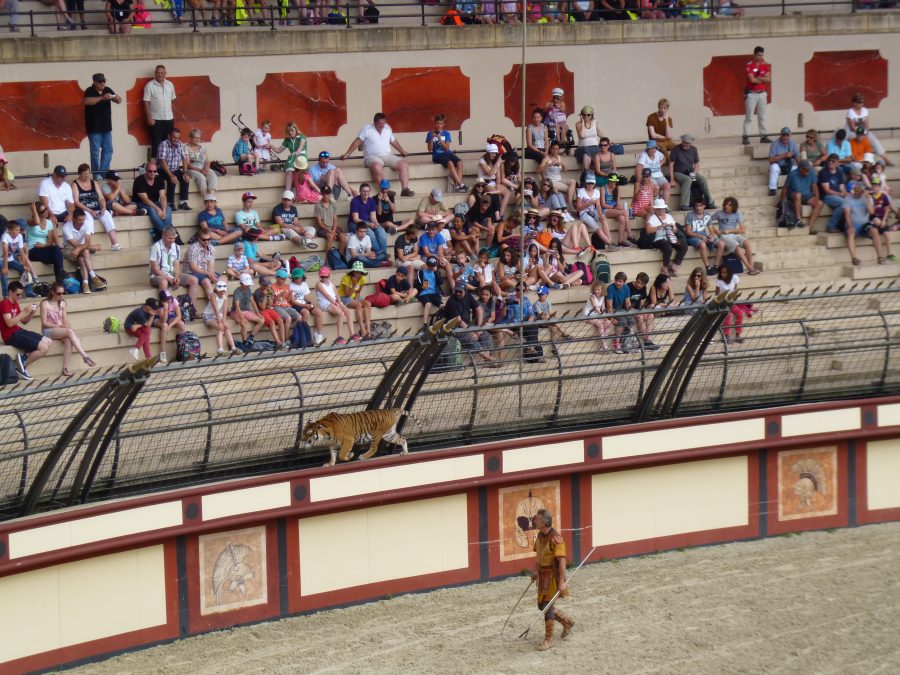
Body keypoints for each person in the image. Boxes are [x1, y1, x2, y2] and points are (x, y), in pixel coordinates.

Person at [530, 508, 574, 651]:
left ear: (544, 521)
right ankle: (566, 621)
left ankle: (549, 639)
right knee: (541, 606)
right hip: (542, 576)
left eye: (536, 519)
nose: (534, 520)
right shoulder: (540, 536)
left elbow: (561, 562)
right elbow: (539, 556)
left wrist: (561, 582)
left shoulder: (556, 538)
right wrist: (535, 570)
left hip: (553, 577)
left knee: (547, 608)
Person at [341, 112, 414, 197]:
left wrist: (402, 150)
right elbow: (357, 142)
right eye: (380, 123)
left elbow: (393, 141)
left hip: (387, 155)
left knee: (404, 164)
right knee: (377, 166)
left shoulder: (387, 128)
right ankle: (385, 191)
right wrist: (347, 154)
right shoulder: (367, 129)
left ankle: (405, 190)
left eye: (383, 123)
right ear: (375, 122)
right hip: (372, 157)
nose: (382, 125)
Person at [39, 282, 95, 376]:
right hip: (48, 330)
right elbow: (44, 323)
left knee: (69, 340)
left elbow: (65, 320)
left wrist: (68, 327)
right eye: (59, 293)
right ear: (52, 292)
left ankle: (65, 369)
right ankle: (85, 357)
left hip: (60, 330)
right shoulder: (45, 303)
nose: (61, 295)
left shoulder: (63, 303)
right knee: (69, 332)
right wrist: (60, 327)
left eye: (62, 293)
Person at [441, 281, 500, 366]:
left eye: (460, 291)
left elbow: (479, 310)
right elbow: (459, 321)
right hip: (454, 328)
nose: (457, 293)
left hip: (467, 326)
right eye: (456, 291)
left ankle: (487, 360)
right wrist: (471, 332)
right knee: (471, 338)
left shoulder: (468, 296)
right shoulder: (451, 302)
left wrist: (478, 328)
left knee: (485, 335)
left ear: (465, 290)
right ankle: (489, 359)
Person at [1, 281, 52, 380]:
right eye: (18, 294)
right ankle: (22, 366)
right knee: (43, 348)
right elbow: (9, 323)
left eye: (21, 294)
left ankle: (24, 357)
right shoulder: (4, 304)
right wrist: (24, 311)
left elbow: (24, 321)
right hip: (10, 335)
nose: (20, 296)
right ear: (10, 292)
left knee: (49, 341)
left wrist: (31, 313)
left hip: (18, 331)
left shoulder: (15, 303)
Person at [72, 163, 122, 250]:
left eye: (88, 173)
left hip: (97, 208)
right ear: (79, 174)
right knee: (88, 219)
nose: (86, 176)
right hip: (84, 209)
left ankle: (115, 243)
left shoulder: (94, 183)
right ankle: (88, 245)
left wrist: (103, 208)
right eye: (84, 174)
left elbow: (101, 198)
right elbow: (76, 202)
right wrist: (89, 211)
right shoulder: (75, 184)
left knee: (106, 214)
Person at [83, 73, 121, 180]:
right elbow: (87, 101)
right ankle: (97, 174)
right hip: (94, 128)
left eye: (103, 81)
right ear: (94, 82)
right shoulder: (89, 90)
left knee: (108, 150)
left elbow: (119, 100)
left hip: (107, 128)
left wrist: (114, 97)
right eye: (100, 82)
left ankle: (103, 173)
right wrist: (101, 98)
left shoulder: (107, 89)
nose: (102, 84)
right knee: (95, 152)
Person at [149, 226, 198, 306]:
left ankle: (192, 309)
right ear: (163, 236)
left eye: (173, 238)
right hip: (157, 275)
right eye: (169, 238)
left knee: (194, 280)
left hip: (171, 273)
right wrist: (168, 278)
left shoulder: (176, 247)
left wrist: (176, 277)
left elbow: (176, 266)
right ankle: (165, 310)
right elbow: (155, 269)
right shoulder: (155, 247)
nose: (171, 241)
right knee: (163, 281)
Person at [710, 197, 760, 275]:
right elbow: (708, 221)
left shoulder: (737, 213)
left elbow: (742, 230)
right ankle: (749, 268)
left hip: (733, 235)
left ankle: (751, 265)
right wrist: (717, 232)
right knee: (736, 246)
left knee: (746, 242)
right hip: (724, 237)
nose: (727, 206)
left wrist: (730, 230)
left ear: (734, 206)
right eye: (726, 204)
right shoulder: (719, 213)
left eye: (729, 205)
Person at [842, 181, 885, 266]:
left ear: (862, 191)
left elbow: (871, 212)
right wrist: (850, 226)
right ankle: (854, 258)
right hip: (853, 224)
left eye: (858, 191)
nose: (855, 192)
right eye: (855, 190)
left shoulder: (867, 198)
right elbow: (847, 215)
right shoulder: (848, 198)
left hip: (865, 224)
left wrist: (868, 199)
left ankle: (880, 257)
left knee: (874, 230)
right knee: (850, 233)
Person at [62, 209, 105, 293]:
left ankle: (85, 284)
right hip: (69, 248)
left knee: (82, 257)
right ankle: (93, 277)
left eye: (83, 219)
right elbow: (75, 245)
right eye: (79, 220)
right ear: (73, 219)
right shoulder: (66, 227)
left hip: (83, 248)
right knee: (85, 252)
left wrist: (80, 248)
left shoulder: (87, 224)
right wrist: (93, 247)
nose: (82, 222)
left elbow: (87, 242)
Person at [670, 134, 714, 211]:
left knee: (702, 179)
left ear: (690, 143)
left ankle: (709, 202)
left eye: (687, 143)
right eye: (684, 142)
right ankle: (684, 204)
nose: (685, 144)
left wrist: (694, 173)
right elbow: (671, 165)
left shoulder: (694, 149)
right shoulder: (675, 150)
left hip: (690, 171)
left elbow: (696, 163)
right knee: (687, 180)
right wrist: (672, 179)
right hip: (678, 172)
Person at [646, 199, 687, 278]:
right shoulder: (653, 218)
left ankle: (675, 265)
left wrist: (672, 227)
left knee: (683, 246)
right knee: (668, 248)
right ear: (656, 209)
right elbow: (648, 230)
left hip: (670, 237)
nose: (661, 211)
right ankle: (665, 268)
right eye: (659, 209)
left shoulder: (669, 216)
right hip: (657, 239)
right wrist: (659, 227)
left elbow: (675, 231)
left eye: (662, 209)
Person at [315, 266, 357, 344]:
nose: (324, 278)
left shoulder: (331, 284)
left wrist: (340, 303)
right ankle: (339, 337)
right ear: (320, 276)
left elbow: (337, 295)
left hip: (333, 302)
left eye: (326, 276)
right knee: (341, 313)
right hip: (325, 303)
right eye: (322, 276)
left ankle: (352, 335)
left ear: (329, 276)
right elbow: (327, 296)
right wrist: (336, 304)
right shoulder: (319, 284)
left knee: (348, 312)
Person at [132, 161, 172, 239]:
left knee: (168, 208)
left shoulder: (159, 179)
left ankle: (166, 233)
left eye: (154, 171)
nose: (152, 173)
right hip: (140, 204)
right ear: (146, 171)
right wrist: (158, 209)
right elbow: (145, 200)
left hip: (155, 202)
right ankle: (166, 233)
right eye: (150, 171)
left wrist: (163, 209)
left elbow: (163, 196)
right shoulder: (139, 180)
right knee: (152, 210)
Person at [143, 64, 176, 159]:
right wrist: (149, 117)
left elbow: (172, 100)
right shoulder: (149, 85)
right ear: (155, 73)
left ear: (165, 73)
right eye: (158, 73)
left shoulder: (170, 84)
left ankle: (167, 166)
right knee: (156, 143)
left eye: (162, 73)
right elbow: (146, 102)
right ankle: (154, 168)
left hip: (169, 118)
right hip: (156, 120)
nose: (160, 75)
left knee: (169, 143)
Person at [26, 202, 65, 282]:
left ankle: (60, 273)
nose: (46, 212)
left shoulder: (49, 223)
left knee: (56, 249)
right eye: (43, 211)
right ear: (38, 213)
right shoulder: (30, 221)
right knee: (57, 257)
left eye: (46, 209)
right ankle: (60, 280)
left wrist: (44, 245)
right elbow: (37, 222)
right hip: (32, 249)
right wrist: (34, 210)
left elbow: (50, 242)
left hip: (44, 247)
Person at [348, 183, 388, 260]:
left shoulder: (371, 201)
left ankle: (383, 254)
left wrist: (376, 224)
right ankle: (379, 255)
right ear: (360, 191)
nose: (366, 193)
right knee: (369, 232)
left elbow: (373, 217)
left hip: (367, 222)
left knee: (381, 231)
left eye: (367, 191)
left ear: (370, 191)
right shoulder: (355, 201)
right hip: (355, 224)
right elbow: (355, 219)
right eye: (363, 191)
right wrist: (368, 225)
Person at [684, 197, 724, 275]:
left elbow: (711, 229)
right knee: (703, 244)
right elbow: (688, 232)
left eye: (700, 205)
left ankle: (716, 266)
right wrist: (700, 237)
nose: (698, 208)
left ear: (704, 206)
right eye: (696, 206)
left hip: (704, 235)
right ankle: (708, 267)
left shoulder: (707, 215)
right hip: (693, 237)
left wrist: (712, 236)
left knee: (721, 243)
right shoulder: (690, 215)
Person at [427, 114, 466, 192]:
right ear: (435, 123)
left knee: (460, 162)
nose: (439, 125)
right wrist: (431, 137)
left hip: (447, 153)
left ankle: (458, 186)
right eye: (437, 123)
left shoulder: (446, 134)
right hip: (437, 156)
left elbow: (446, 148)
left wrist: (439, 138)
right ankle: (460, 184)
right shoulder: (430, 134)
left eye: (441, 124)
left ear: (444, 124)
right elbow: (429, 149)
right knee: (450, 163)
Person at [289, 267, 326, 347]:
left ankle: (319, 335)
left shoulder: (304, 284)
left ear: (302, 277)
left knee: (318, 311)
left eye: (299, 278)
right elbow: (292, 301)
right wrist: (305, 306)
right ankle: (304, 336)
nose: (297, 280)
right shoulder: (291, 286)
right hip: (296, 305)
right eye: (295, 278)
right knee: (305, 312)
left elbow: (306, 296)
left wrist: (311, 303)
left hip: (305, 303)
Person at [742, 46, 771, 146]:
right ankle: (745, 136)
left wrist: (758, 77)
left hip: (762, 94)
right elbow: (751, 80)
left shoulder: (764, 65)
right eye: (759, 55)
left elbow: (769, 79)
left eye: (762, 55)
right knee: (749, 117)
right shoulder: (749, 65)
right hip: (751, 94)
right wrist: (762, 79)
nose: (761, 57)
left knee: (762, 116)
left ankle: (763, 136)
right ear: (754, 54)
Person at [157, 128, 191, 211]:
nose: (176, 139)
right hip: (163, 169)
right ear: (169, 136)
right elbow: (162, 161)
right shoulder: (163, 144)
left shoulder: (180, 144)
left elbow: (184, 159)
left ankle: (183, 202)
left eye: (178, 137)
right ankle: (170, 203)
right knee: (172, 179)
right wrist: (171, 175)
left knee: (185, 179)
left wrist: (185, 172)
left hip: (175, 169)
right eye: (174, 137)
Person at [203, 280, 241, 356]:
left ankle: (233, 348)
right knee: (220, 328)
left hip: (218, 315)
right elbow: (215, 309)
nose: (222, 292)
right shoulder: (213, 295)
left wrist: (223, 320)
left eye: (223, 291)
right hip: (209, 315)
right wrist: (220, 322)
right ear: (216, 290)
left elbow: (224, 308)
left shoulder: (225, 295)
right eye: (220, 291)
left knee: (226, 326)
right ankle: (220, 349)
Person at [338, 261, 373, 339]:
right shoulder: (346, 278)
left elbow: (358, 292)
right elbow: (347, 295)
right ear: (353, 272)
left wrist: (356, 298)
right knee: (358, 305)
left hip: (355, 296)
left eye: (360, 272)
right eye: (357, 272)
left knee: (368, 304)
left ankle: (368, 330)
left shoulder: (362, 278)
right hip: (344, 297)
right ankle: (362, 329)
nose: (359, 274)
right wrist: (354, 284)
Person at [780, 160, 819, 228]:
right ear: (801, 169)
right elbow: (785, 188)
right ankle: (798, 220)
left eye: (809, 169)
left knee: (820, 203)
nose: (808, 171)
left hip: (806, 195)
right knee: (798, 195)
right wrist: (781, 202)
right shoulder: (792, 174)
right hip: (793, 195)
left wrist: (817, 198)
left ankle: (810, 226)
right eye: (806, 170)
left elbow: (815, 187)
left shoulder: (811, 173)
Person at [1, 218, 34, 299]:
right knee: (4, 274)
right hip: (1, 260)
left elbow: (22, 252)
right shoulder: (5, 237)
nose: (18, 232)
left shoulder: (19, 236)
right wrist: (5, 267)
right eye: (16, 230)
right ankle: (6, 295)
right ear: (9, 230)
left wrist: (24, 265)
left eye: (19, 230)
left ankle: (29, 291)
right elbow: (5, 253)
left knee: (25, 270)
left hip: (10, 259)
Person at [538, 140, 577, 208]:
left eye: (557, 149)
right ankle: (569, 205)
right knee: (570, 189)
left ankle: (569, 203)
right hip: (551, 180)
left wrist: (563, 165)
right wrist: (549, 164)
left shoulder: (560, 158)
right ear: (550, 148)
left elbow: (566, 171)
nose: (555, 150)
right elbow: (538, 170)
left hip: (559, 179)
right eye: (553, 148)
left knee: (573, 181)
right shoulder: (547, 159)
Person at [816, 154, 848, 233]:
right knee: (843, 203)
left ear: (837, 163)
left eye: (833, 161)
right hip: (826, 196)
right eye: (829, 160)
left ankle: (845, 226)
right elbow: (827, 190)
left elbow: (841, 186)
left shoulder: (839, 171)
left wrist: (844, 193)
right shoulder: (824, 172)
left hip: (836, 195)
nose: (830, 162)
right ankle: (831, 226)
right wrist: (840, 194)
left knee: (849, 201)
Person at [272, 121, 307, 191]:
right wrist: (270, 145)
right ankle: (287, 192)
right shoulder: (287, 140)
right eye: (288, 131)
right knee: (289, 171)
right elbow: (278, 150)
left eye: (292, 130)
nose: (290, 132)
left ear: (296, 129)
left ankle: (301, 192)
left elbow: (301, 144)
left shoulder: (301, 136)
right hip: (292, 158)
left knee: (300, 172)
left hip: (301, 157)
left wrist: (298, 151)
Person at [767, 127, 799, 197]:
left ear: (790, 135)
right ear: (780, 135)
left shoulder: (793, 143)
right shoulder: (775, 144)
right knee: (773, 167)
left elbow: (797, 157)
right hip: (779, 167)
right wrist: (784, 155)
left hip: (789, 166)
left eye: (787, 135)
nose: (785, 137)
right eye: (783, 135)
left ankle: (795, 188)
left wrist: (801, 165)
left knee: (797, 169)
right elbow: (770, 160)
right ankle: (772, 189)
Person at [185, 128, 217, 197]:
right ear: (190, 138)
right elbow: (188, 164)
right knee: (201, 178)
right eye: (195, 138)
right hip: (192, 169)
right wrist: (200, 170)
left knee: (213, 175)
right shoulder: (186, 148)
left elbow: (207, 161)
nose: (197, 140)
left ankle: (211, 198)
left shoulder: (202, 148)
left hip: (202, 168)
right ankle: (206, 198)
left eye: (199, 138)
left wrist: (206, 168)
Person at [314, 186, 346, 254]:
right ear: (321, 194)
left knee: (343, 237)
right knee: (330, 236)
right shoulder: (318, 205)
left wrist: (333, 230)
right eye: (324, 194)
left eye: (327, 194)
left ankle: (340, 258)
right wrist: (330, 231)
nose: (326, 196)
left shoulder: (333, 204)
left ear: (330, 194)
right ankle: (327, 259)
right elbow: (319, 223)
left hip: (333, 227)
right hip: (323, 229)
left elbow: (335, 219)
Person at [155, 289, 184, 363]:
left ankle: (183, 349)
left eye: (169, 298)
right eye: (167, 300)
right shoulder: (160, 306)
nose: (169, 301)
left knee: (181, 324)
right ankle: (163, 352)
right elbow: (164, 320)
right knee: (164, 325)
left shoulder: (173, 300)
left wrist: (170, 325)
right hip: (159, 319)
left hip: (170, 316)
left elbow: (179, 316)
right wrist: (166, 309)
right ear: (162, 301)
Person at [416, 255, 444, 327]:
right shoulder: (421, 273)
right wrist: (423, 287)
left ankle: (439, 321)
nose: (432, 268)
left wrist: (436, 272)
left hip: (433, 293)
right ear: (427, 265)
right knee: (428, 304)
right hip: (423, 293)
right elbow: (417, 286)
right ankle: (425, 324)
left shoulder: (436, 272)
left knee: (442, 306)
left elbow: (440, 282)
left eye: (434, 266)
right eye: (430, 266)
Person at [583, 280, 611, 351]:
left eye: (598, 290)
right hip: (588, 315)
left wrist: (605, 317)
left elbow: (603, 308)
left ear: (602, 290)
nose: (596, 291)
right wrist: (602, 317)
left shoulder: (602, 297)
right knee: (600, 324)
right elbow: (596, 308)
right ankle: (604, 346)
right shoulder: (592, 297)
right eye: (595, 289)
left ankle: (603, 343)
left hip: (597, 315)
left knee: (608, 323)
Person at [646, 98, 676, 163]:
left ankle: (681, 166)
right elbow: (653, 135)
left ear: (667, 109)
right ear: (658, 107)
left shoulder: (669, 119)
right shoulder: (651, 117)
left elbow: (668, 135)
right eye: (661, 108)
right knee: (664, 151)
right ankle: (671, 167)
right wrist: (665, 137)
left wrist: (667, 121)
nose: (662, 110)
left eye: (665, 108)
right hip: (656, 142)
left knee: (678, 149)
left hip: (667, 141)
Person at [574, 105, 601, 171]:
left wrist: (608, 140)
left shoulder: (595, 122)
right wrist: (583, 123)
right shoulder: (578, 124)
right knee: (586, 154)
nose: (586, 116)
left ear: (591, 115)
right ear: (581, 115)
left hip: (594, 147)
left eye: (588, 115)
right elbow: (582, 135)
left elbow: (599, 132)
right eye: (584, 115)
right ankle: (585, 175)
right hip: (583, 148)